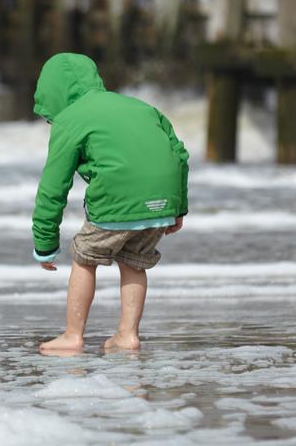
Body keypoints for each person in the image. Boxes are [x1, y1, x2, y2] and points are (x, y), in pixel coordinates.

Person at [32, 53, 189, 355]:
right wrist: (178, 206)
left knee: (84, 256)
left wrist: (45, 243)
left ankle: (72, 335)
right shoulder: (141, 107)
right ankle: (127, 335)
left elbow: (53, 187)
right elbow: (179, 154)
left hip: (119, 197)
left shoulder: (70, 119)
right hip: (163, 199)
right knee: (134, 260)